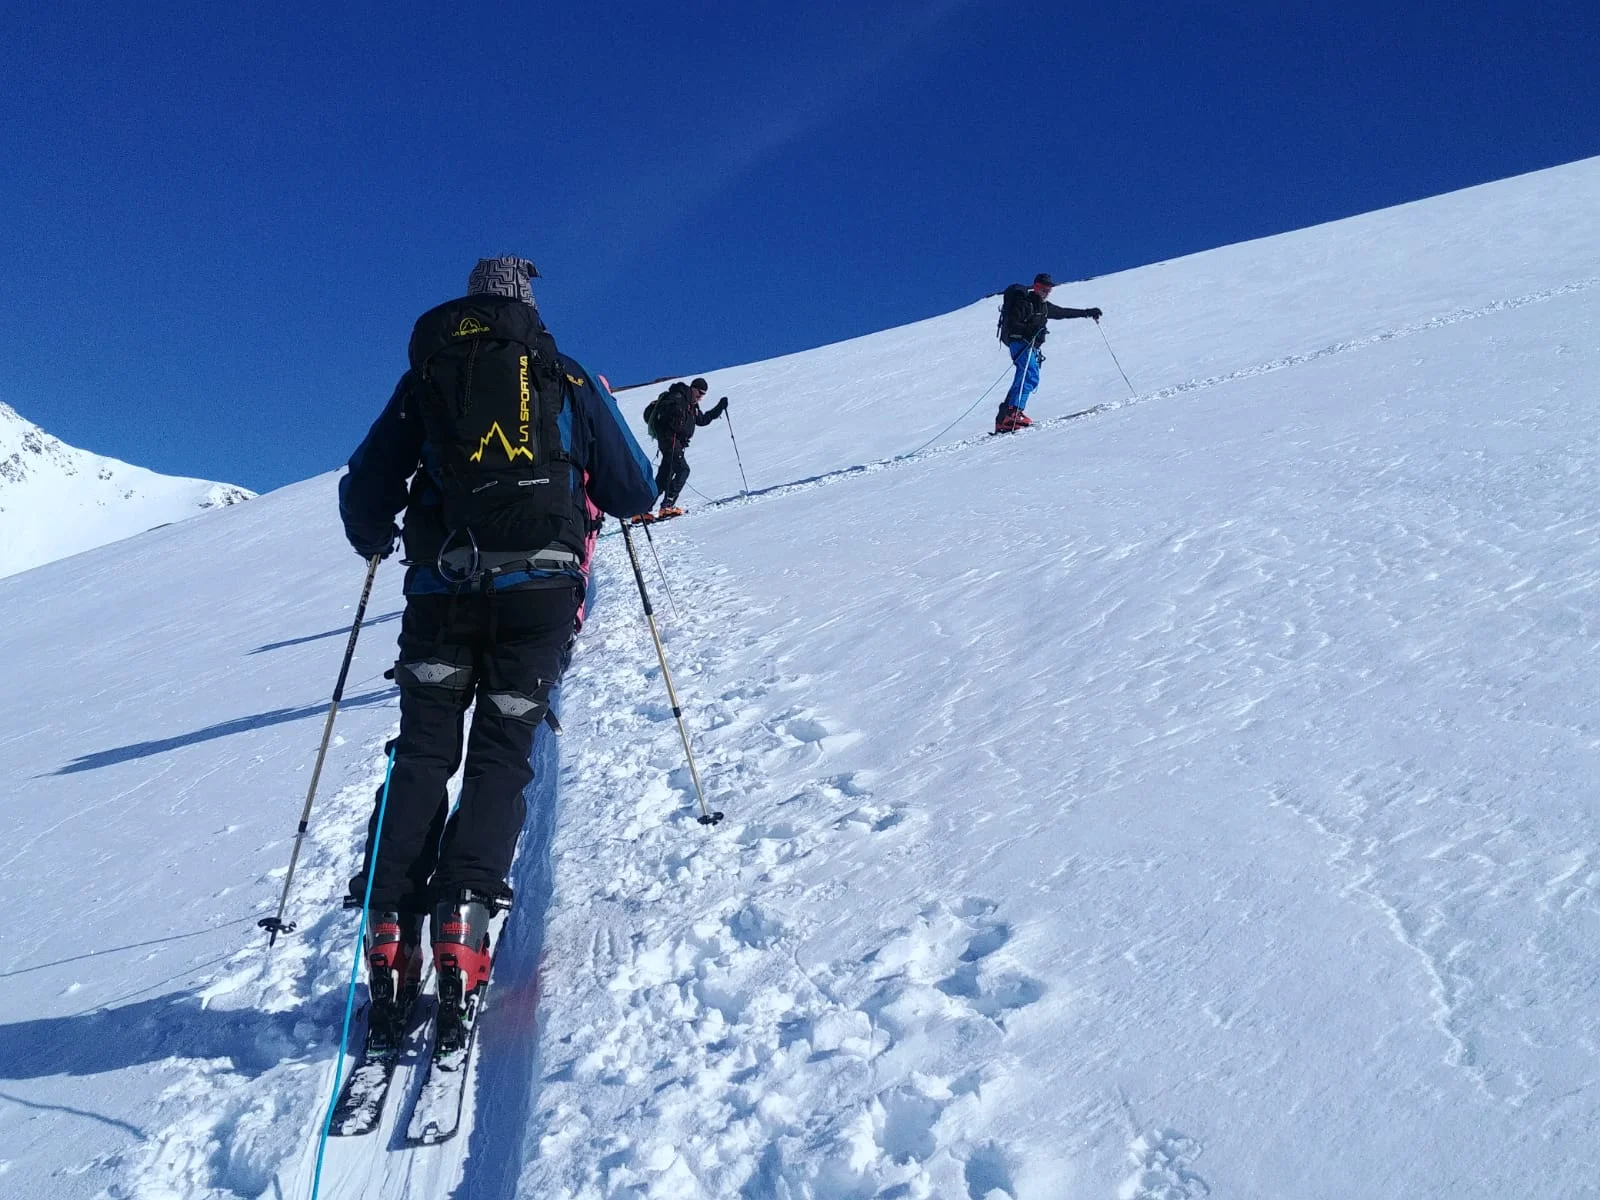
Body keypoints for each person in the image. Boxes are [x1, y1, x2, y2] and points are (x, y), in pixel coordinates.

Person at [338, 255, 656, 1050]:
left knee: (420, 754)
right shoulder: (564, 375)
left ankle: (390, 930)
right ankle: (465, 926)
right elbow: (632, 489)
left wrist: (377, 537)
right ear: (527, 305)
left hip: (442, 595)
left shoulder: (429, 376)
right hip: (539, 600)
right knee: (501, 754)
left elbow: (367, 486)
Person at [994, 272, 1102, 433]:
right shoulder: (1025, 303)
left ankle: (1006, 418)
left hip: (1031, 346)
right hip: (1020, 343)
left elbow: (1063, 312)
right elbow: (1015, 324)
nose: (1046, 291)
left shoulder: (1044, 307)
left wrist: (1086, 312)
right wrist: (1030, 329)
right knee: (1029, 374)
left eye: (1049, 288)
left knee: (1027, 375)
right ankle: (1013, 414)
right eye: (1043, 288)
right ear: (1035, 287)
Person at [644, 377, 727, 518]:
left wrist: (719, 407)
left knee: (664, 476)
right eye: (700, 392)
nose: (701, 396)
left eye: (704, 394)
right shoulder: (678, 398)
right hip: (671, 441)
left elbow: (702, 420)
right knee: (683, 470)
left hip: (674, 443)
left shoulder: (692, 405)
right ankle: (667, 506)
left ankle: (643, 510)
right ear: (693, 388)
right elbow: (667, 419)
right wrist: (675, 430)